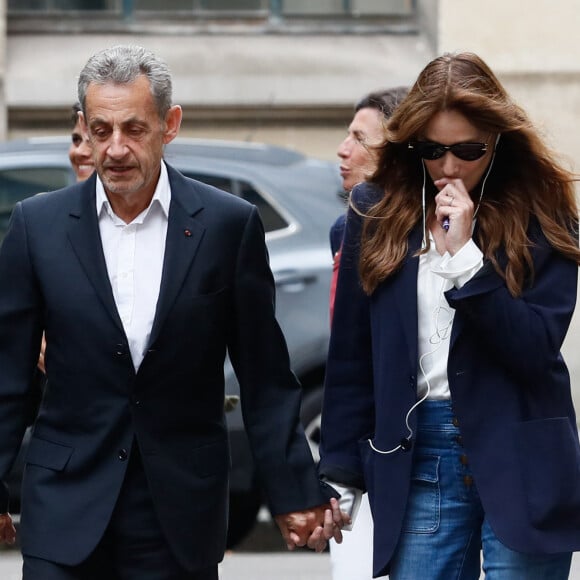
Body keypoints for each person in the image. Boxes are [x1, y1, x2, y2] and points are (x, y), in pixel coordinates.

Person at [0, 44, 348, 579]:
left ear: (170, 124)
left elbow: (264, 375)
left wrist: (293, 490)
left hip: (178, 512)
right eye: (100, 130)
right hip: (63, 504)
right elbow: (9, 377)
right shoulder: (36, 226)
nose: (115, 149)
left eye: (134, 129)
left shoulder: (228, 226)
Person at [319, 51, 580, 579]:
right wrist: (340, 476)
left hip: (521, 445)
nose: (450, 166)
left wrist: (466, 262)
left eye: (468, 149)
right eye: (432, 149)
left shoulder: (542, 211)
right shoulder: (375, 209)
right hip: (421, 452)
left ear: (498, 139)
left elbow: (534, 348)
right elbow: (351, 355)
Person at [328, 87, 407, 580]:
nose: (342, 148)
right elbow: (348, 347)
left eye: (360, 138)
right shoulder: (346, 228)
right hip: (362, 440)